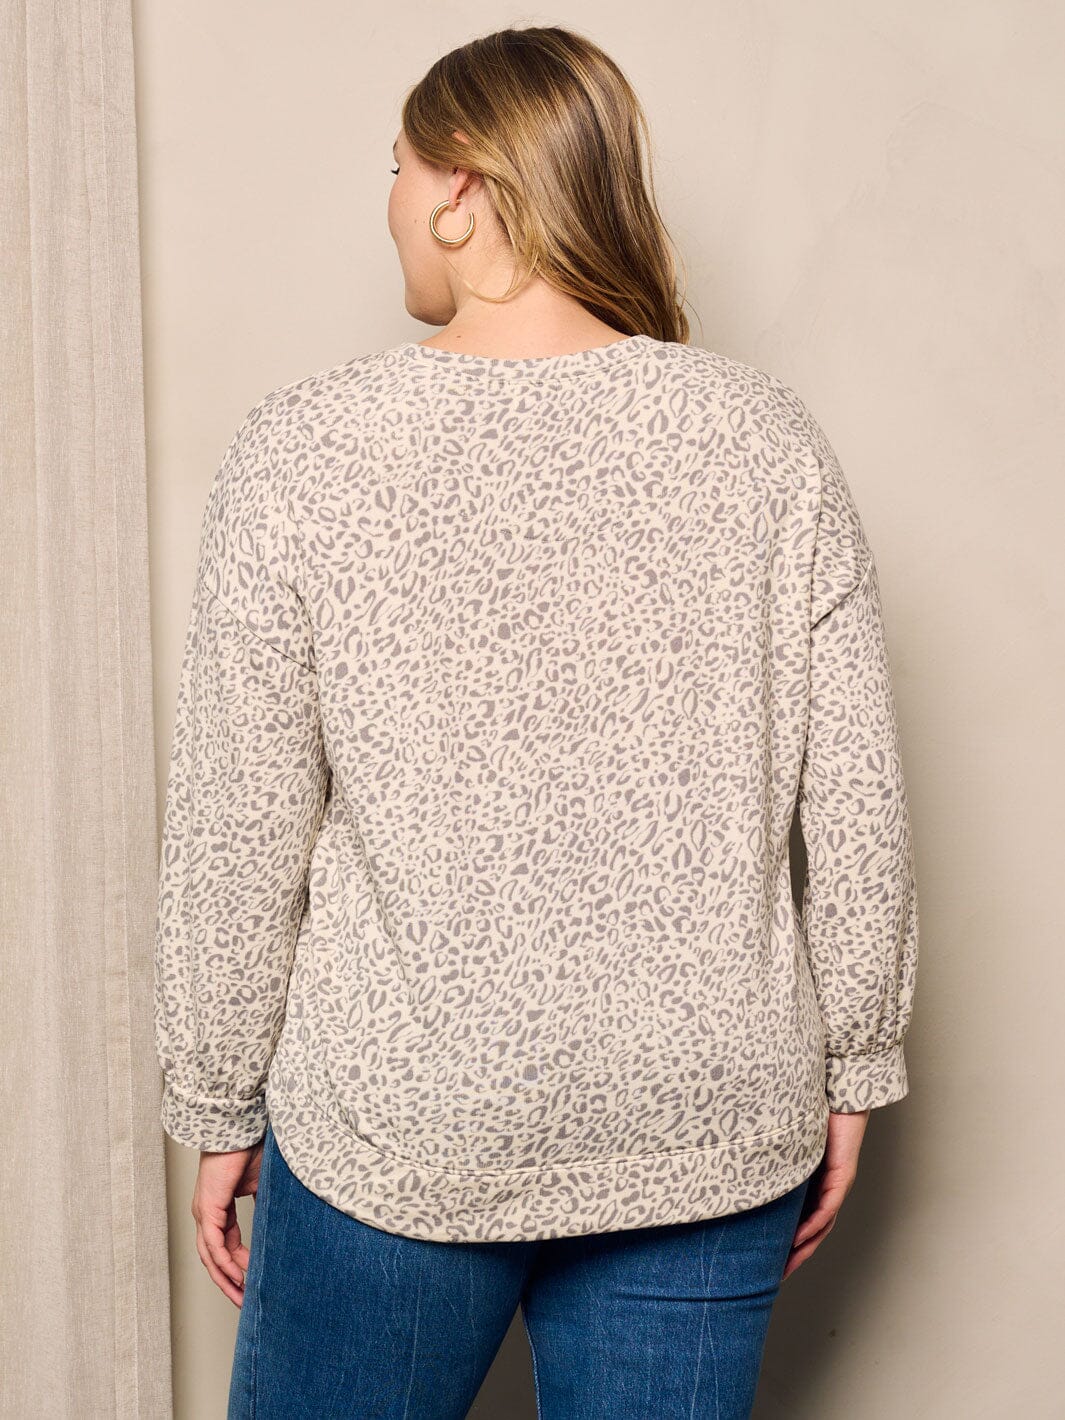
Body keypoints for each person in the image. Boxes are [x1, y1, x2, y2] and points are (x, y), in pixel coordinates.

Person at [152, 23, 919, 1420]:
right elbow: (858, 798)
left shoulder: (304, 452)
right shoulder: (764, 441)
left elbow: (237, 828)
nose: (391, 202)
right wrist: (853, 1063)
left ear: (460, 189)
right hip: (707, 1115)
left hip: (402, 1118)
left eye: (397, 169)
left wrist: (214, 1100)